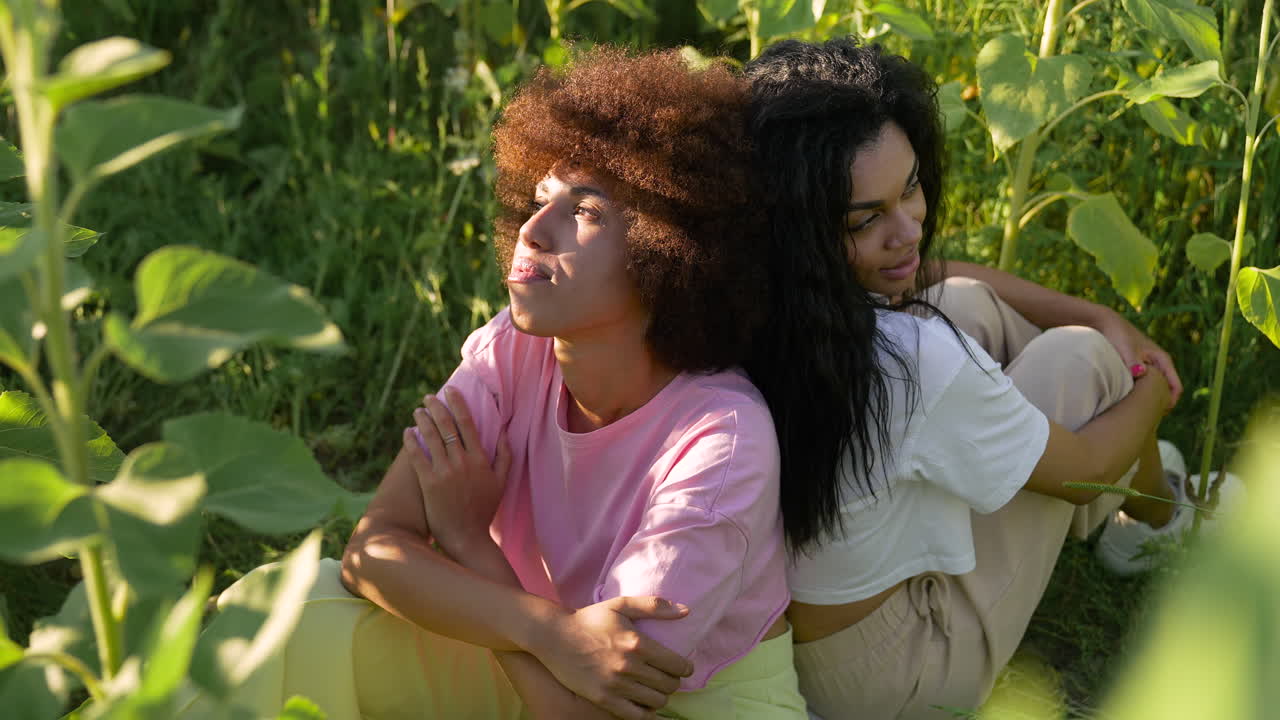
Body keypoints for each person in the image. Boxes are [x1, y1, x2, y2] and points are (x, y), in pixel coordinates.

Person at [184, 47, 807, 719]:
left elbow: (585, 714)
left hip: (680, 709)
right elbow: (371, 551)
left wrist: (467, 541)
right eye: (539, 201)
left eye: (586, 211)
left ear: (672, 254)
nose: (533, 232)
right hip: (538, 663)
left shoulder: (722, 440)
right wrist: (547, 629)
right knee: (293, 611)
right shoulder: (515, 348)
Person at [743, 37, 1238, 719]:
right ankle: (1156, 519)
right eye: (867, 220)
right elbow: (1083, 462)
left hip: (800, 646)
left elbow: (939, 278)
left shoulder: (754, 297)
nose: (908, 228)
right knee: (1085, 362)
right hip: (901, 680)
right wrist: (1148, 379)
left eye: (910, 187)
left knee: (964, 306)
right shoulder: (908, 361)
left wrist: (1092, 307)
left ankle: (1139, 483)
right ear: (803, 229)